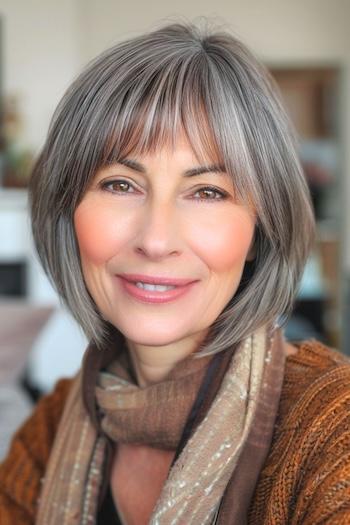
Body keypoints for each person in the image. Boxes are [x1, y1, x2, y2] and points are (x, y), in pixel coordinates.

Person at [1, 21, 350, 525]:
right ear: (68, 209)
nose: (156, 240)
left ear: (260, 228)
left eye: (207, 192)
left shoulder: (332, 428)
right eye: (121, 184)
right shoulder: (48, 430)